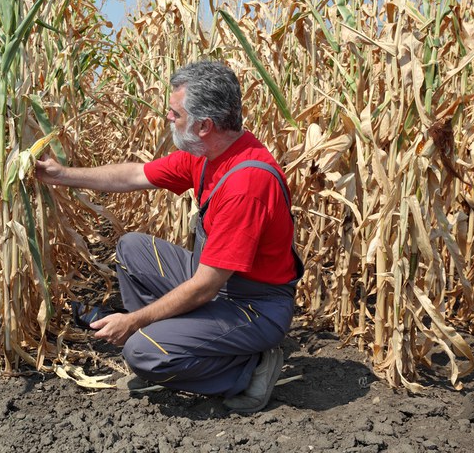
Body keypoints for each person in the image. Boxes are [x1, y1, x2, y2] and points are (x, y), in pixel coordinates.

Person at [35, 61, 304, 412]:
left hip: (254, 306)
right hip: (224, 286)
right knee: (132, 249)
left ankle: (249, 367)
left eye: (175, 113)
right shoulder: (210, 155)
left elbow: (205, 287)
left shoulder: (246, 185)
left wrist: (133, 322)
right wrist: (60, 174)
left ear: (204, 125)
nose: (168, 118)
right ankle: (175, 346)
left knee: (141, 350)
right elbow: (134, 175)